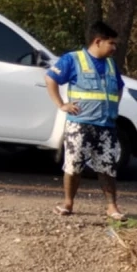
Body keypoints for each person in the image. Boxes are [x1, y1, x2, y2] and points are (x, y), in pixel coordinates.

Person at [45, 21, 127, 219]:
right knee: (73, 165)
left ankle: (112, 207)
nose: (114, 48)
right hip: (80, 124)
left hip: (106, 125)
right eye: (111, 43)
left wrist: (114, 107)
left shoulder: (110, 64)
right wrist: (61, 104)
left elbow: (119, 86)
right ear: (98, 41)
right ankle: (68, 203)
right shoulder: (73, 59)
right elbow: (50, 78)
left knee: (108, 167)